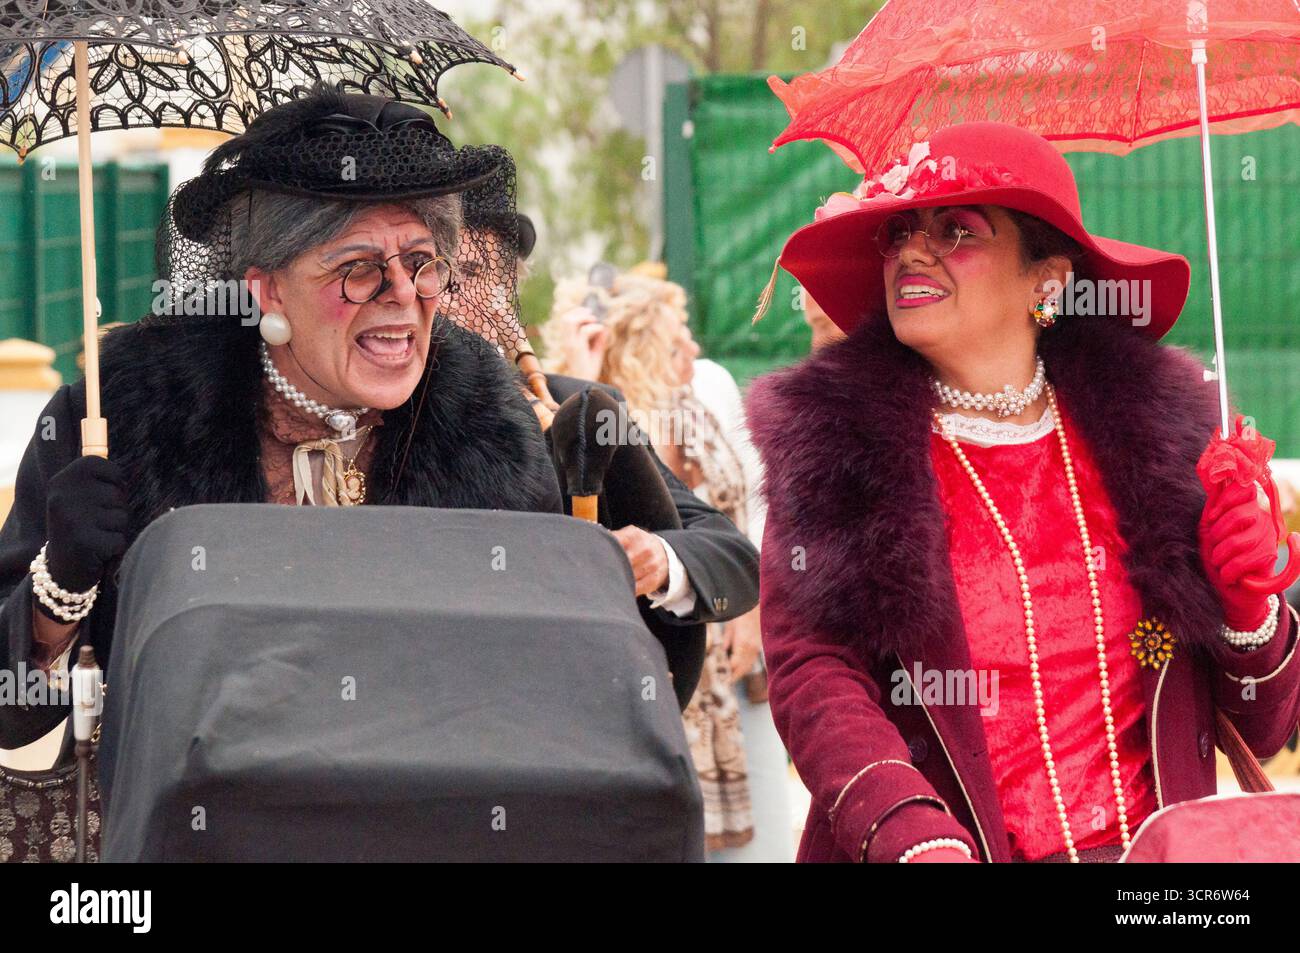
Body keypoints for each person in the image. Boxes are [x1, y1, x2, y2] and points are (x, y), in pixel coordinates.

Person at [0, 89, 562, 857]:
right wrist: (57, 589)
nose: (403, 296)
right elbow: (13, 713)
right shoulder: (123, 413)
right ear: (267, 289)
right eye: (359, 269)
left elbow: (547, 700)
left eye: (423, 263)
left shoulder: (488, 427)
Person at [746, 121, 1300, 863]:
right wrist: (917, 837)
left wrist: (1249, 609)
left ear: (1047, 279)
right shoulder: (834, 448)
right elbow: (814, 673)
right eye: (902, 229)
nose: (913, 248)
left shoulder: (1159, 443)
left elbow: (1261, 726)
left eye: (957, 231)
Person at [546, 271, 790, 857]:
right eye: (678, 332)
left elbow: (749, 511)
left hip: (727, 645)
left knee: (763, 835)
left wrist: (751, 612)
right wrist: (585, 368)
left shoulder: (709, 391)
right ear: (646, 339)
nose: (694, 346)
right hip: (664, 667)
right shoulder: (604, 413)